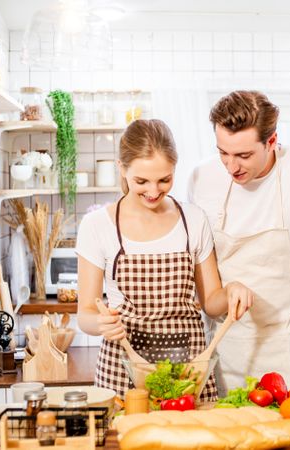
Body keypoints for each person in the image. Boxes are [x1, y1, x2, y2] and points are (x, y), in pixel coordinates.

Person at [188, 90, 290, 393]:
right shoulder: (201, 178)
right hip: (223, 346)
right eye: (222, 153)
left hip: (286, 348)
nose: (231, 166)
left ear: (271, 141)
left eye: (243, 155)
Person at [77, 119, 254, 400]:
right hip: (123, 370)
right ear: (121, 169)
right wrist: (100, 323)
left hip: (189, 374)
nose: (153, 191)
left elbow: (211, 302)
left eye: (164, 179)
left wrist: (232, 290)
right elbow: (85, 312)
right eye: (141, 181)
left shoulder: (193, 220)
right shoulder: (97, 225)